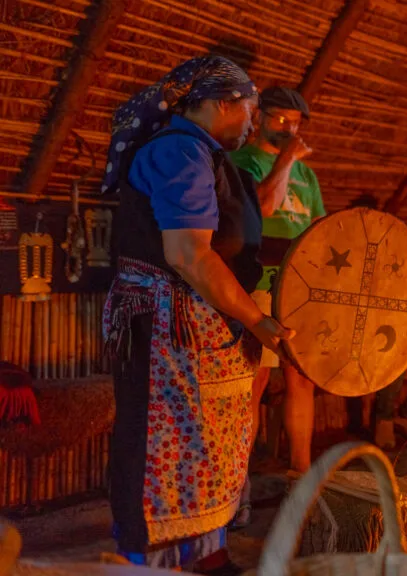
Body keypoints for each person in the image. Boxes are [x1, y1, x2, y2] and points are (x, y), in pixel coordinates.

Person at [101, 56, 293, 574]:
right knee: (167, 444)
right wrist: (257, 320)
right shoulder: (178, 150)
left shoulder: (206, 154)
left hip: (203, 331)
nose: (253, 123)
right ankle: (154, 562)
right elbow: (188, 253)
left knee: (207, 446)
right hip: (168, 329)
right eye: (249, 110)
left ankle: (205, 554)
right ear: (218, 104)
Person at [229, 86, 323, 477]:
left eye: (295, 123)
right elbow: (264, 206)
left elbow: (318, 228)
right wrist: (285, 159)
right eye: (280, 119)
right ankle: (239, 484)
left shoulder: (308, 176)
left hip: (301, 287)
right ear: (259, 117)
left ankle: (301, 473)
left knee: (302, 378)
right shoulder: (240, 162)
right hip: (259, 283)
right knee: (255, 378)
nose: (288, 127)